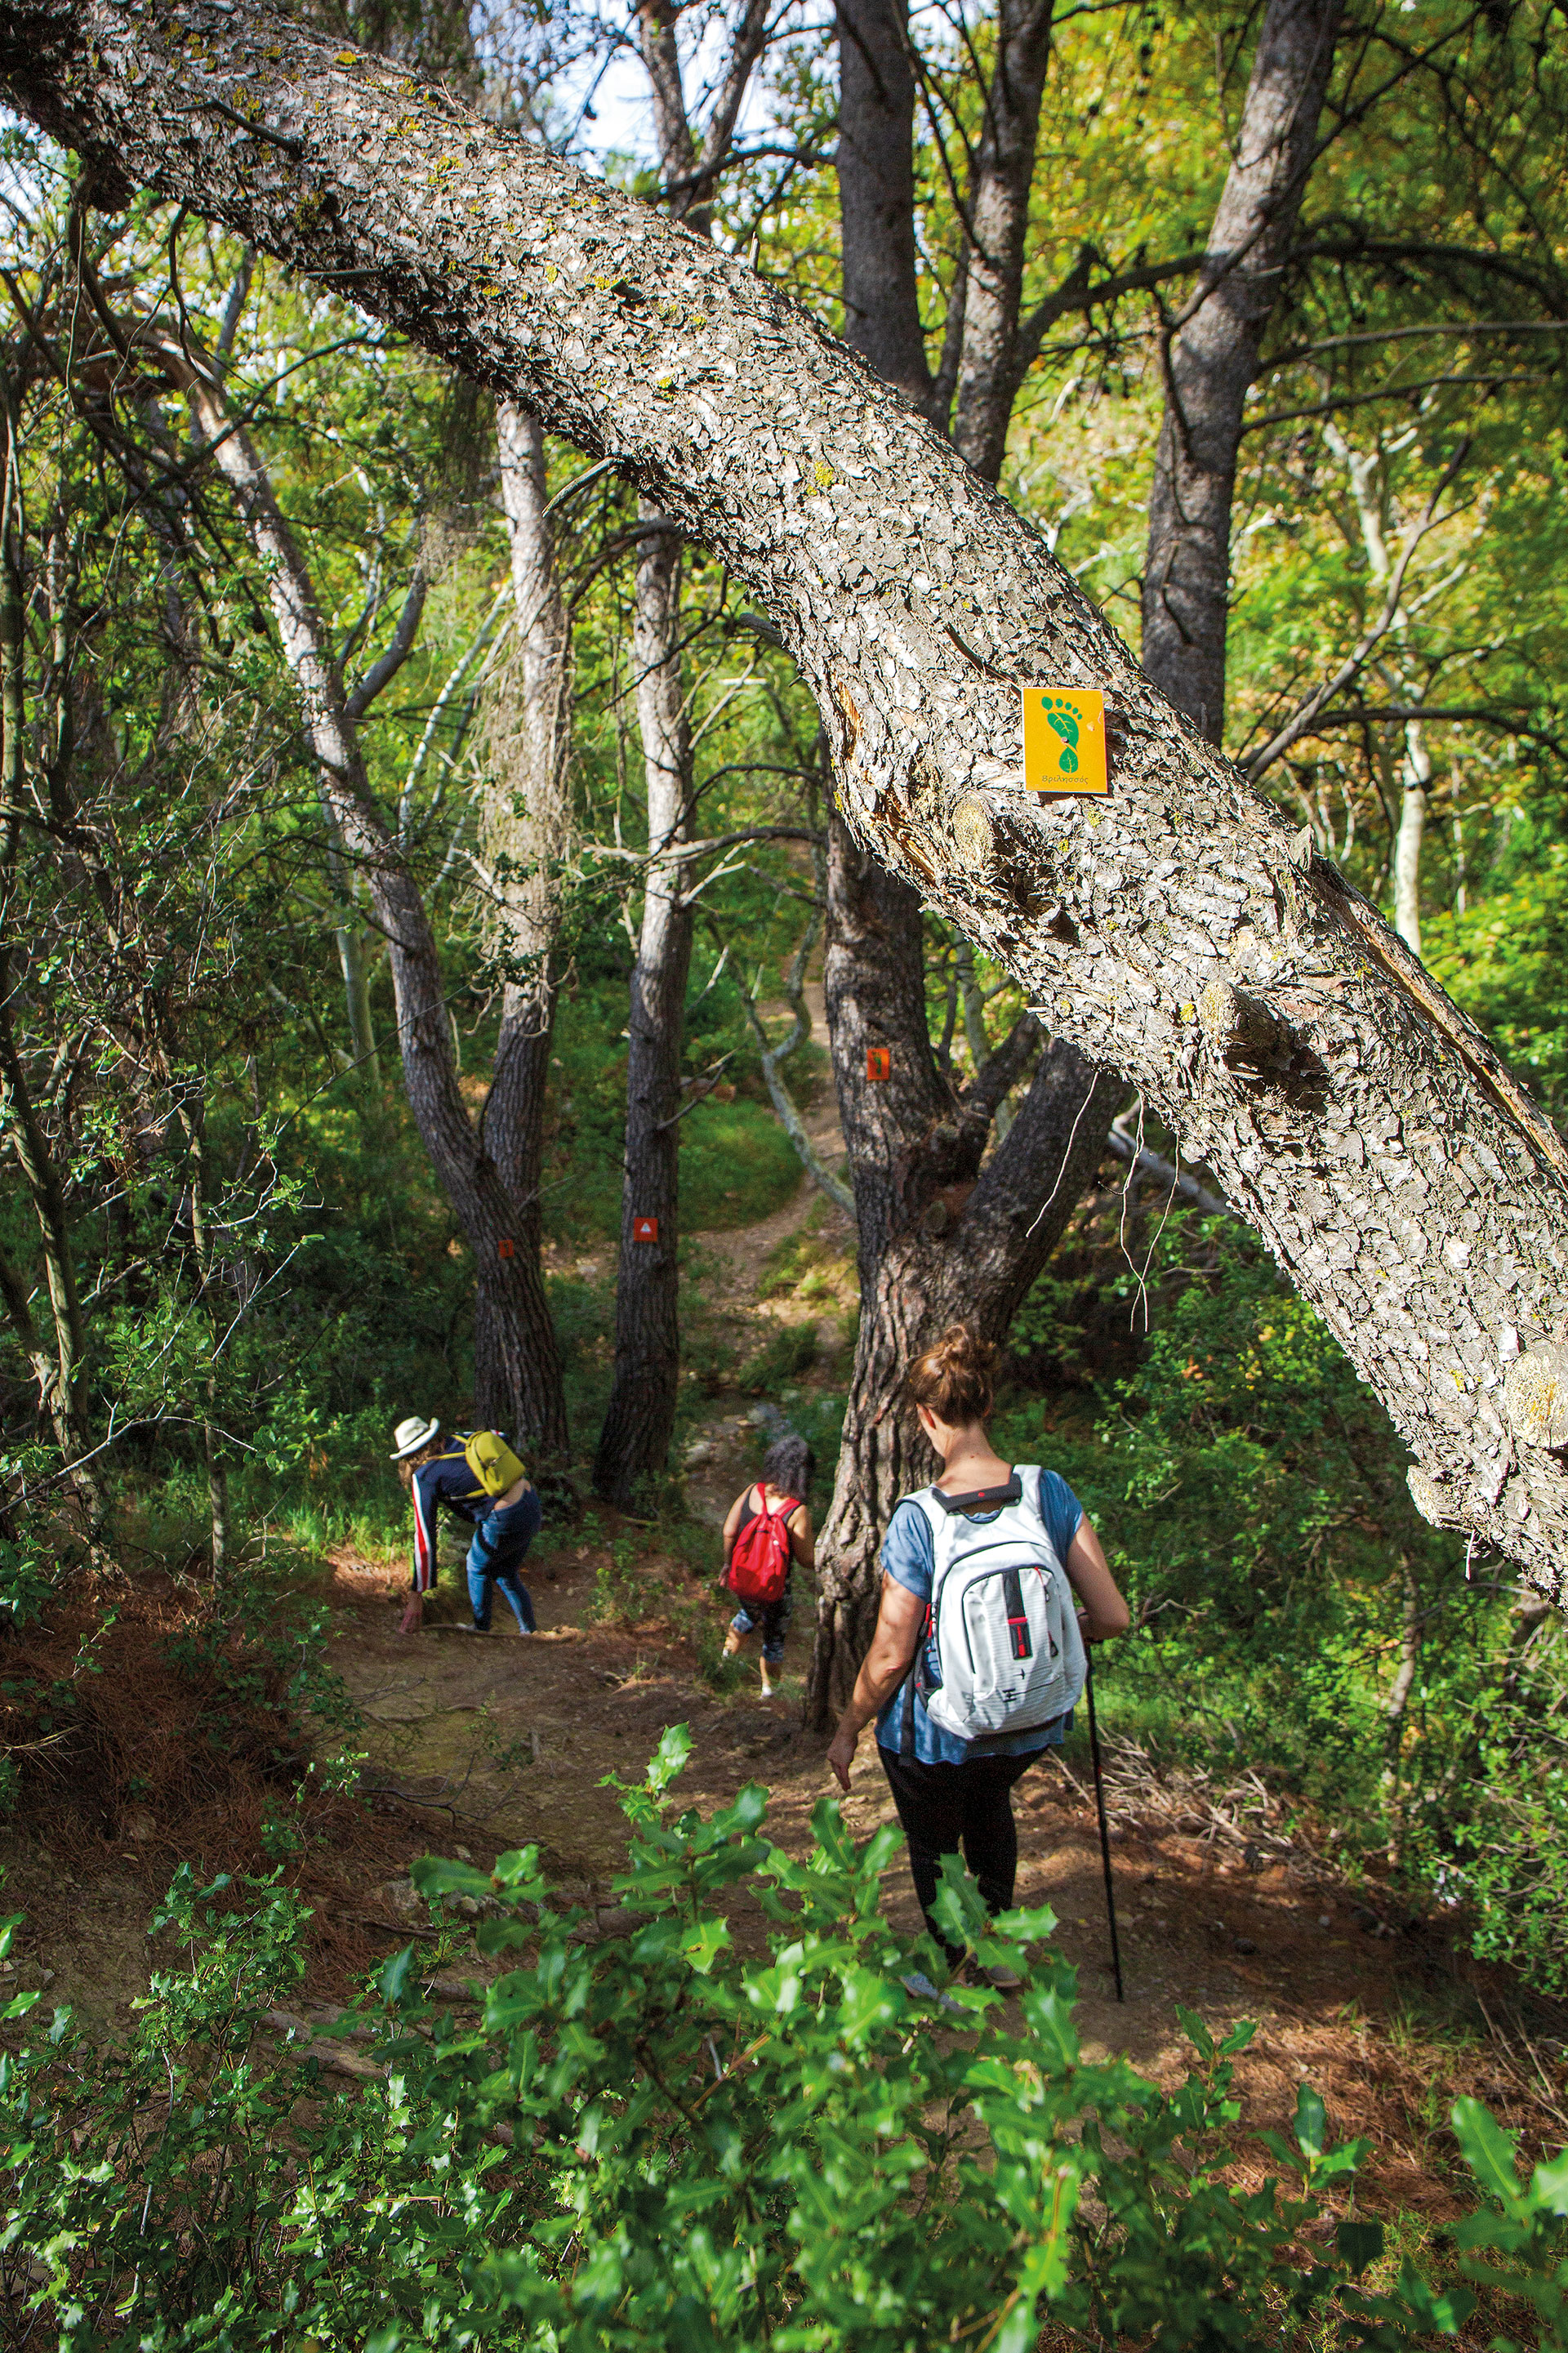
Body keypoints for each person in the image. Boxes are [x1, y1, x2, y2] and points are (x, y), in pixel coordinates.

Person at [826, 1326, 1129, 1985]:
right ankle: (998, 1957)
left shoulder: (918, 1518)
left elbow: (888, 1655)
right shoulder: (1047, 1490)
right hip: (1030, 1721)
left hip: (939, 1733)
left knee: (935, 1842)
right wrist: (1068, 1629)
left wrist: (849, 1727)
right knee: (991, 1805)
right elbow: (1113, 1615)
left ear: (926, 1416)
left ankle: (946, 1966)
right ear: (987, 1404)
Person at [390, 1415, 541, 1638]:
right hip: (529, 1500)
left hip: (505, 1516)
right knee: (505, 1572)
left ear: (409, 1456)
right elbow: (501, 1438)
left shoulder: (424, 1476)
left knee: (476, 1566)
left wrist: (417, 1592)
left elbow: (424, 1537)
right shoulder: (462, 1439)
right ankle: (530, 1632)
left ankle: (481, 1629)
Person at [720, 1433, 816, 1698]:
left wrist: (728, 1566)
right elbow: (806, 1559)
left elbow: (729, 1531)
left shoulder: (752, 1491)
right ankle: (769, 1691)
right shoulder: (797, 1511)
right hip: (775, 1590)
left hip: (744, 1580)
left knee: (747, 1614)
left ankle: (724, 1661)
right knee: (774, 1637)